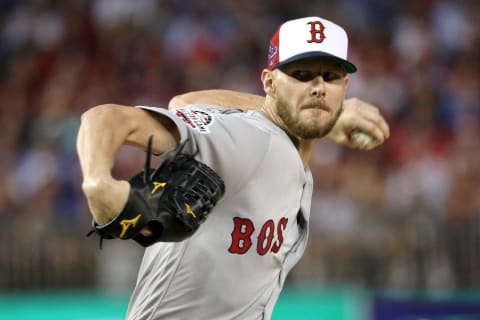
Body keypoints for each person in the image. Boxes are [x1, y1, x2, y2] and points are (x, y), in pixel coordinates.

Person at [77, 16, 389, 320]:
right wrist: (98, 183)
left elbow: (186, 102)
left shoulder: (295, 165)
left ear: (345, 87)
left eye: (330, 77)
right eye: (302, 74)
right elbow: (106, 118)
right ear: (269, 82)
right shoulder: (251, 140)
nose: (318, 88)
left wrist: (325, 122)